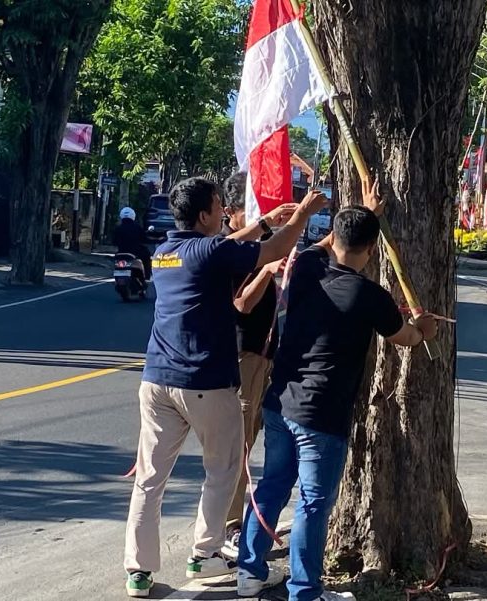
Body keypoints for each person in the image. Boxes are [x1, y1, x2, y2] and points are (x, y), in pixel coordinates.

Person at [235, 181, 439, 601]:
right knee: (313, 502)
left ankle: (249, 572)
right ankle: (304, 591)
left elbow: (328, 242)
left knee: (273, 485)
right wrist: (424, 329)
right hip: (322, 413)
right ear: (372, 249)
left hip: (280, 402)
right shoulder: (370, 295)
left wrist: (364, 215)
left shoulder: (306, 266)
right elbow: (405, 338)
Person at [124, 177, 327, 598]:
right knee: (224, 469)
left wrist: (263, 223)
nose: (223, 212)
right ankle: (205, 553)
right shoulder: (211, 251)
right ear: (204, 215)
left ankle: (138, 571)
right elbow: (273, 251)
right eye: (218, 206)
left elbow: (223, 245)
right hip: (205, 382)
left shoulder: (165, 252)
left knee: (150, 478)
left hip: (156, 380)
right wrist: (303, 215)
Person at [219, 171, 282, 559]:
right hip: (243, 356)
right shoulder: (228, 249)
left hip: (265, 353)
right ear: (230, 211)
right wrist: (267, 270)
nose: (260, 215)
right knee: (238, 447)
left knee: (255, 437)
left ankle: (239, 521)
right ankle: (228, 527)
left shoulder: (254, 245)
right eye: (252, 208)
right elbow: (241, 304)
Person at [114, 206, 153, 279]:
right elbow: (144, 239)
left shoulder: (118, 228)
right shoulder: (137, 227)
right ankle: (147, 276)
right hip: (136, 253)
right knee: (147, 254)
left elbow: (114, 241)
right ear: (133, 215)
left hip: (121, 252)